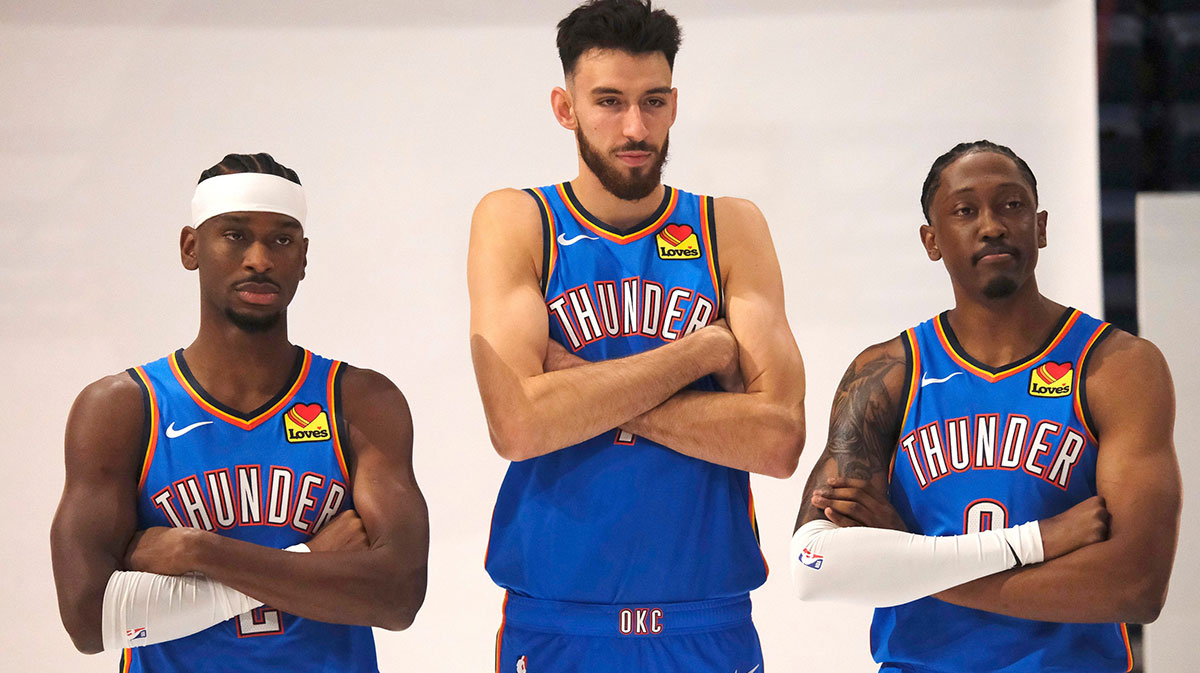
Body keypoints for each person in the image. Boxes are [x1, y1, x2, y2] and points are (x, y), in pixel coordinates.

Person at [467, 1, 806, 671]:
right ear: (565, 107)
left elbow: (778, 439)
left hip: (706, 620)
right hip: (558, 622)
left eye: (653, 102)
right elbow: (518, 425)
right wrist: (699, 355)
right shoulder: (518, 220)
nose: (634, 126)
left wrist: (579, 389)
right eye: (609, 101)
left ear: (675, 104)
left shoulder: (728, 227)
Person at [790, 140, 1181, 672]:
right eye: (965, 210)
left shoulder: (1117, 366)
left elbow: (1137, 585)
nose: (992, 225)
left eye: (1012, 205)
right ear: (932, 240)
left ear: (1041, 227)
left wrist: (910, 557)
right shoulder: (886, 374)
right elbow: (817, 565)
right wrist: (1037, 542)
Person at [50, 153, 429, 672]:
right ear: (191, 248)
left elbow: (398, 597)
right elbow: (91, 621)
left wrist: (199, 552)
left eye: (281, 239)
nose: (259, 259)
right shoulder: (123, 408)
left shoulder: (360, 402)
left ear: (303, 257)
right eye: (234, 235)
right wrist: (311, 562)